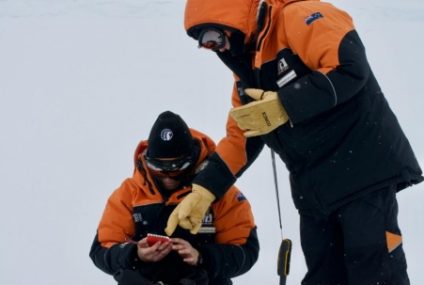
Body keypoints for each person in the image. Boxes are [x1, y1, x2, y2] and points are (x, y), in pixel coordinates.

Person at [164, 0, 424, 284]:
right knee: (323, 276)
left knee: (374, 271)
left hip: (362, 173)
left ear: (233, 19)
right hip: (314, 191)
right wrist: (204, 191)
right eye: (205, 44)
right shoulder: (248, 69)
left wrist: (286, 104)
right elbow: (242, 135)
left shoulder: (299, 15)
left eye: (215, 37)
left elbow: (350, 67)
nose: (216, 48)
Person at [89, 111, 259, 285]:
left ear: (192, 159)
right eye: (158, 167)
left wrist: (201, 256)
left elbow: (245, 251)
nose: (168, 177)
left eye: (178, 167)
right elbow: (101, 250)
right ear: (147, 160)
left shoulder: (221, 193)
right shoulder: (129, 194)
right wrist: (134, 254)